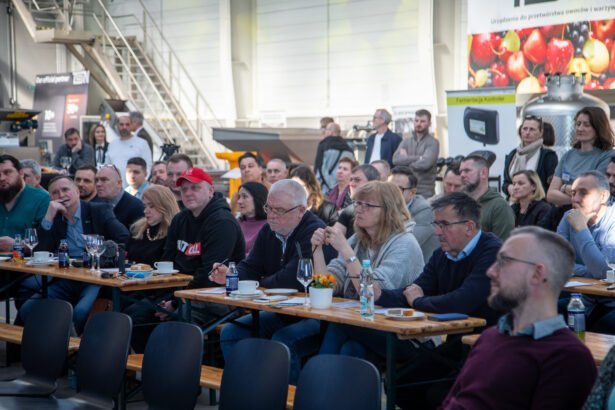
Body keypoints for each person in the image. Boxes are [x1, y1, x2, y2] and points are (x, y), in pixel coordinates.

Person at [318, 193, 501, 409]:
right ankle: (323, 398)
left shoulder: (492, 252)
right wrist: (380, 295)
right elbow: (410, 293)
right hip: (452, 344)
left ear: (469, 227)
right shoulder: (443, 254)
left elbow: (461, 301)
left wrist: (419, 301)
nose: (437, 232)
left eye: (443, 225)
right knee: (363, 356)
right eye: (436, 224)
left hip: (487, 348)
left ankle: (318, 395)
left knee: (422, 390)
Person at [440, 226, 596, 410]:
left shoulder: (566, 356)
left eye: (504, 261)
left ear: (537, 274)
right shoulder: (489, 337)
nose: (491, 271)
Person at [211, 179, 335, 384]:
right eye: (268, 208)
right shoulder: (269, 229)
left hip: (316, 316)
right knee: (231, 332)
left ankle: (287, 398)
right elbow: (251, 266)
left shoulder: (314, 232)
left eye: (279, 210)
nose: (271, 215)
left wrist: (259, 281)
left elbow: (291, 281)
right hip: (282, 312)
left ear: (301, 211)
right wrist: (232, 275)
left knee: (283, 339)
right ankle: (246, 392)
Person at [125, 167, 245, 352]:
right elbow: (167, 262)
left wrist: (174, 303)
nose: (188, 193)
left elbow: (210, 274)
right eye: (184, 189)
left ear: (210, 191)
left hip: (216, 296)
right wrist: (164, 299)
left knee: (164, 325)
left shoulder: (222, 222)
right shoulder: (180, 219)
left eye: (195, 188)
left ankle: (176, 368)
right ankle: (148, 366)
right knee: (132, 314)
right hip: (180, 293)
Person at [19, 176, 129, 334]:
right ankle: (50, 342)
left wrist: (100, 253)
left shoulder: (98, 210)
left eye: (65, 189)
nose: (61, 195)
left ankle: (71, 346)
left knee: (80, 312)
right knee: (27, 310)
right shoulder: (55, 217)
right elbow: (40, 251)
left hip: (94, 278)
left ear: (77, 191)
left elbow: (123, 236)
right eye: (55, 192)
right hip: (66, 277)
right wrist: (48, 216)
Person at [312, 181, 424, 299]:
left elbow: (370, 292)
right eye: (358, 203)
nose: (358, 210)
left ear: (388, 211)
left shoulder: (405, 244)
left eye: (368, 205)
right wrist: (317, 250)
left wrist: (346, 250)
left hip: (391, 311)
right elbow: (324, 288)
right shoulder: (357, 239)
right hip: (356, 310)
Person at [547, 107, 615, 208]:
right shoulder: (568, 155)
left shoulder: (607, 156)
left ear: (598, 128)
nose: (580, 128)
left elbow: (593, 194)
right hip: (561, 212)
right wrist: (578, 196)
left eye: (586, 125)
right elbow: (550, 195)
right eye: (578, 124)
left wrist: (564, 187)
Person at [557, 171, 615, 279]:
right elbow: (556, 262)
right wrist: (589, 271)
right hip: (575, 288)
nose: (575, 199)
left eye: (583, 193)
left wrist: (581, 229)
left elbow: (606, 273)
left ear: (603, 196)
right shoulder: (569, 216)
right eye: (573, 193)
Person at [389, 166, 439, 262]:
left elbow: (405, 246)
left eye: (398, 189)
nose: (391, 193)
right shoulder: (381, 205)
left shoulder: (424, 210)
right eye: (389, 188)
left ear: (412, 192)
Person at [460, 152, 515, 240]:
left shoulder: (499, 207)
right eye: (461, 172)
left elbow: (503, 245)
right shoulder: (459, 204)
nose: (462, 175)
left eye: (467, 171)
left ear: (483, 173)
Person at [0, 155, 49, 251]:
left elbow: (47, 241)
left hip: (26, 259)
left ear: (21, 173)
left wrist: (17, 244)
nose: (2, 178)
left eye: (7, 172)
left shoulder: (42, 199)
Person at [503, 115, 558, 199]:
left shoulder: (548, 156)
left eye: (532, 129)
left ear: (541, 132)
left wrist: (529, 193)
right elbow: (505, 183)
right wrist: (509, 188)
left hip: (538, 204)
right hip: (513, 203)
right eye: (525, 129)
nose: (527, 132)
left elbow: (552, 187)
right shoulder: (513, 154)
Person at [127, 185, 180, 267]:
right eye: (145, 206)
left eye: (151, 206)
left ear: (165, 206)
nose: (145, 211)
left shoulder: (174, 230)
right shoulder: (137, 229)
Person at [392, 109, 440, 197]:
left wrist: (405, 162)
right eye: (416, 120)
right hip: (406, 190)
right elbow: (395, 160)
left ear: (429, 123)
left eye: (422, 121)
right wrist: (419, 158)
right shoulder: (406, 141)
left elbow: (425, 164)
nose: (418, 124)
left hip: (424, 191)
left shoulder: (433, 143)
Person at [334, 164, 380, 238]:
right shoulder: (349, 210)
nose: (351, 184)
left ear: (372, 183)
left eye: (357, 180)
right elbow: (332, 236)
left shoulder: (382, 211)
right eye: (351, 180)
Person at [105, 115, 152, 186]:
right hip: (116, 188)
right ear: (117, 126)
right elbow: (107, 166)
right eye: (121, 124)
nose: (124, 127)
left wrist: (141, 185)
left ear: (132, 126)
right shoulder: (112, 144)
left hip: (136, 187)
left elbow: (148, 166)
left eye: (127, 124)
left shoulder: (142, 143)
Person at [94, 164, 144, 229]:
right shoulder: (94, 204)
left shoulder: (136, 207)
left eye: (104, 180)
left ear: (119, 183)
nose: (98, 184)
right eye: (96, 180)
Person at [313, 122, 354, 194]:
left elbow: (319, 168)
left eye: (326, 129)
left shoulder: (324, 145)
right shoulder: (349, 148)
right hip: (343, 188)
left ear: (331, 132)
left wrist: (329, 185)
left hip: (325, 189)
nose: (325, 132)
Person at [236, 182, 268, 255]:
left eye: (245, 197)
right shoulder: (235, 223)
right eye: (239, 197)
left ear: (258, 199)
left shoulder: (270, 226)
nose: (239, 201)